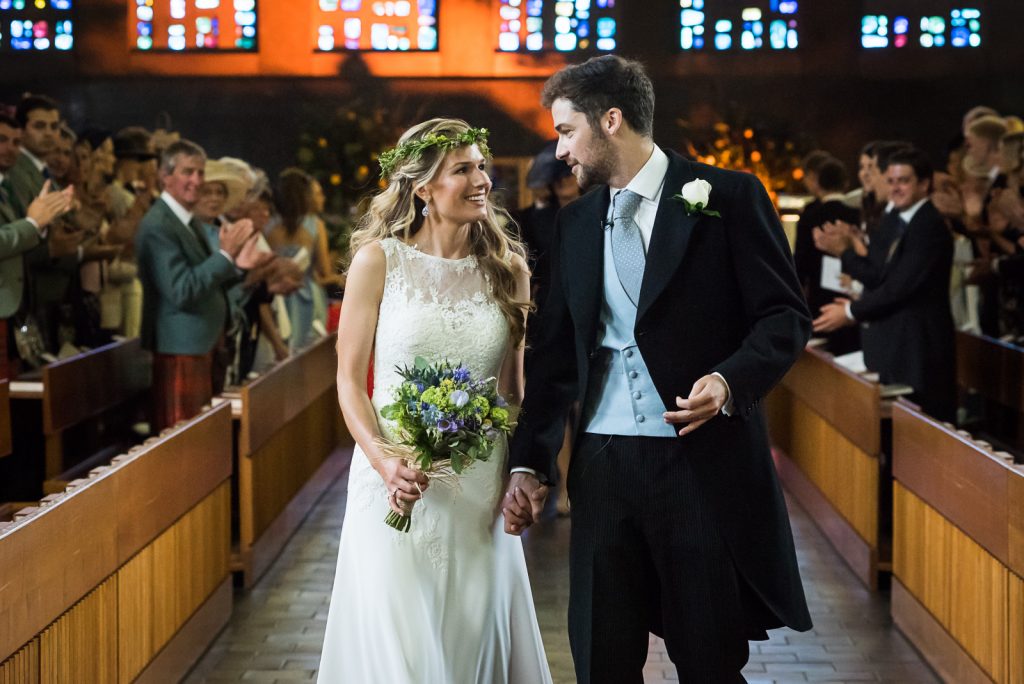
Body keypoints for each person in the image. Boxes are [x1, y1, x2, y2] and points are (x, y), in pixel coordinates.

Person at [502, 56, 812, 683]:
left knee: (709, 657)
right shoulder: (577, 223)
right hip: (603, 462)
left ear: (610, 120)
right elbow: (556, 354)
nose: (560, 150)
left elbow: (784, 316)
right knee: (602, 656)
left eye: (566, 130)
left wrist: (729, 380)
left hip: (699, 463)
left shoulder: (726, 196)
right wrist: (530, 462)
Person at [318, 118, 552, 684]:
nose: (482, 181)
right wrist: (383, 460)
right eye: (463, 170)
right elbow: (350, 380)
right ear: (422, 187)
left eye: (481, 167)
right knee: (398, 641)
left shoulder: (509, 271)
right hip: (394, 479)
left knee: (470, 631)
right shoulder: (379, 261)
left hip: (478, 481)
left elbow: (512, 391)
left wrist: (524, 475)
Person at [813, 148, 956, 422]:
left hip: (919, 351)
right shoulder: (894, 219)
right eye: (891, 181)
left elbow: (900, 288)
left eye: (903, 181)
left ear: (924, 184)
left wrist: (851, 312)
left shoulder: (929, 226)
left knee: (921, 436)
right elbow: (878, 275)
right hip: (893, 346)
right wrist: (845, 253)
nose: (895, 188)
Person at [135, 139, 266, 430]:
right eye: (187, 172)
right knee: (184, 444)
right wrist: (225, 256)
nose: (196, 180)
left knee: (202, 439)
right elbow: (181, 290)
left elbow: (208, 280)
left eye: (200, 172)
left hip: (200, 345)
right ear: (165, 176)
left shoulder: (185, 220)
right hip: (180, 346)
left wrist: (239, 267)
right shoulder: (159, 224)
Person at [266, 168, 341, 352]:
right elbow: (324, 271)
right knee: (309, 355)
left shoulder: (268, 226)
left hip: (277, 297)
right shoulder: (315, 225)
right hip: (308, 295)